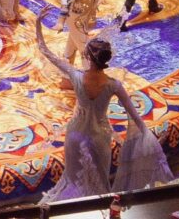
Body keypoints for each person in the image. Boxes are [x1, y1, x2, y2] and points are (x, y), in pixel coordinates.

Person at [43, 37, 170, 199]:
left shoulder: (76, 76)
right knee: (100, 182)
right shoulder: (113, 85)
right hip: (99, 137)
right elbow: (135, 117)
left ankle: (69, 208)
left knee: (72, 179)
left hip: (75, 134)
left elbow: (46, 52)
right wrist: (151, 142)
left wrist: (39, 28)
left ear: (87, 56)